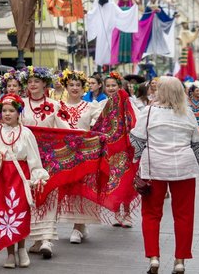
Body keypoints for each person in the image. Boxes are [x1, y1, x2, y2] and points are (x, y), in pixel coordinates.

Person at [130, 76, 199, 274]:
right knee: (184, 216)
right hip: (184, 168)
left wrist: (135, 161)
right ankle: (180, 261)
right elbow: (197, 143)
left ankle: (154, 258)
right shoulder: (188, 113)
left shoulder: (149, 111)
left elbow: (136, 141)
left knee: (151, 215)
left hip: (155, 167)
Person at [0, 94, 49, 269]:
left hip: (20, 177)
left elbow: (34, 158)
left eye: (11, 111)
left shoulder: (26, 133)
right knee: (3, 214)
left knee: (20, 211)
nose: (7, 114)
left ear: (19, 113)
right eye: (4, 111)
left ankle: (22, 249)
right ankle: (10, 253)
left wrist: (37, 176)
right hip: (1, 177)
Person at [19, 67, 66, 259]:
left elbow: (65, 128)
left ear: (45, 84)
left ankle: (47, 239)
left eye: (37, 81)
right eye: (30, 81)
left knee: (49, 195)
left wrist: (85, 137)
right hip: (27, 157)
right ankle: (38, 239)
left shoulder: (55, 105)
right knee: (31, 196)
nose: (32, 85)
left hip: (49, 156)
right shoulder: (20, 104)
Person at [54, 69, 103, 245]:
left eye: (78, 85)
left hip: (84, 154)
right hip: (63, 155)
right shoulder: (57, 106)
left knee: (81, 191)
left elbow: (98, 127)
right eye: (71, 84)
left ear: (84, 89)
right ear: (66, 86)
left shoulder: (92, 106)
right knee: (65, 190)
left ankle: (77, 226)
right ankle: (79, 225)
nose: (74, 88)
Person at [93, 71, 138, 229]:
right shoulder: (107, 102)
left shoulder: (124, 98)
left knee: (125, 180)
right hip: (110, 147)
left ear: (120, 86)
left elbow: (130, 119)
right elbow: (100, 122)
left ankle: (127, 214)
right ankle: (117, 212)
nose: (111, 88)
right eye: (108, 86)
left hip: (124, 147)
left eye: (114, 85)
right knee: (114, 180)